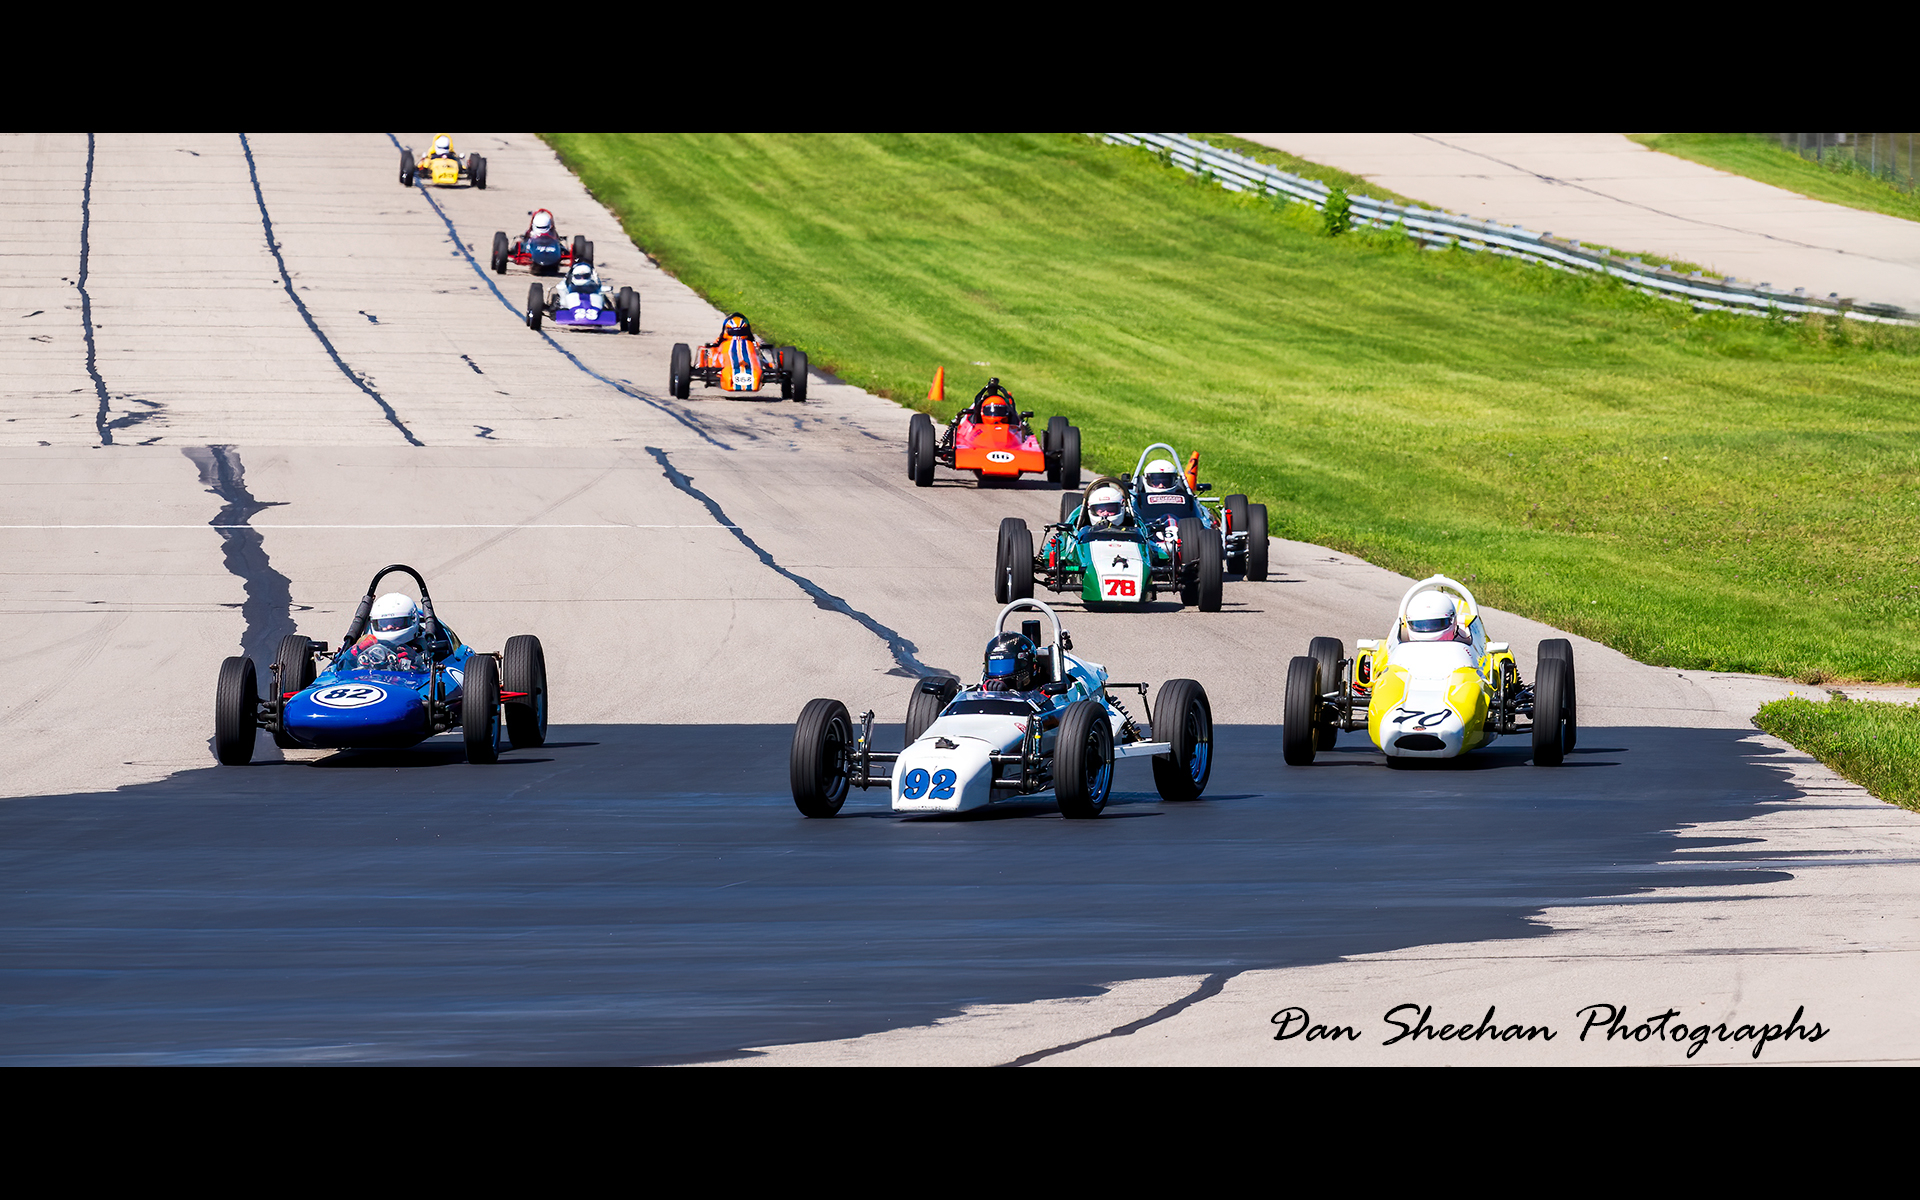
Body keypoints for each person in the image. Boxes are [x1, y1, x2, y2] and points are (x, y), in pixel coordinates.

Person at [345, 593, 430, 671]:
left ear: (412, 620)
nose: (389, 626)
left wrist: (413, 662)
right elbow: (344, 665)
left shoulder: (424, 643)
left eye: (397, 622)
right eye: (384, 623)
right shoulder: (367, 642)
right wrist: (355, 654)